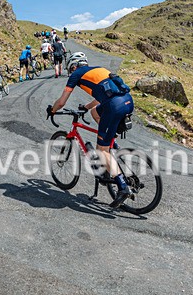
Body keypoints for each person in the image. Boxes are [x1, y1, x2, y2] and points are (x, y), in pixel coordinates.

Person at [48, 52, 134, 207]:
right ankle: (111, 143)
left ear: (73, 66)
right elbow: (104, 93)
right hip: (127, 100)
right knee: (96, 111)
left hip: (114, 106)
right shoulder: (98, 69)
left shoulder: (76, 74)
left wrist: (53, 111)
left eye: (70, 69)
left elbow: (61, 102)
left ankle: (123, 187)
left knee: (102, 151)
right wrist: (87, 107)